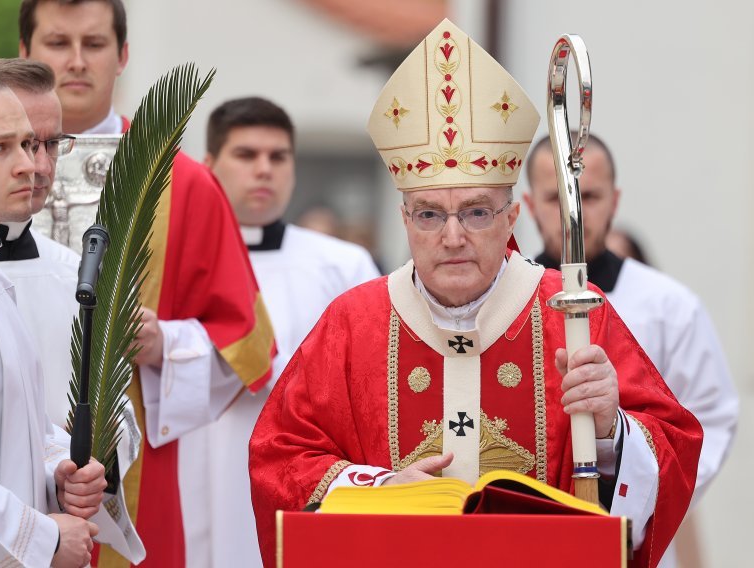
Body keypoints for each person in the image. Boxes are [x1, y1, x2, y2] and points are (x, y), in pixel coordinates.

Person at [249, 19, 702, 568]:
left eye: (477, 211)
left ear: (512, 216)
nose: (453, 235)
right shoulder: (355, 320)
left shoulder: (571, 311)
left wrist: (612, 428)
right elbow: (278, 457)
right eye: (430, 214)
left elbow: (673, 444)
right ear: (405, 219)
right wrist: (378, 488)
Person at [19, 1, 276, 565]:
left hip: (131, 479)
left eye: (95, 43)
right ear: (26, 55)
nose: (77, 61)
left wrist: (169, 344)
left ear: (123, 55)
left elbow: (251, 343)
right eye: (58, 43)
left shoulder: (182, 184)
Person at [178, 97, 380, 567]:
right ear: (209, 165)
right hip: (196, 476)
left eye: (278, 156)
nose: (264, 169)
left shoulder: (343, 264)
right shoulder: (174, 265)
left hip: (304, 484)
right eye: (246, 155)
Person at [523, 132, 739, 567]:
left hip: (639, 537)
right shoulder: (508, 303)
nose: (574, 214)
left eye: (590, 195)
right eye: (555, 198)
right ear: (528, 206)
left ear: (616, 201)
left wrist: (639, 492)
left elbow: (709, 420)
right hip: (531, 535)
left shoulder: (669, 305)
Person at [0, 56, 145, 563]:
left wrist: (91, 472)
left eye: (52, 143)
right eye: (22, 144)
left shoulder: (78, 273)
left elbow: (119, 412)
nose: (42, 166)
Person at [0, 69, 108, 568]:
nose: (31, 165)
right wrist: (43, 539)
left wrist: (57, 470)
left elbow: (17, 431)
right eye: (0, 148)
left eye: (29, 143)